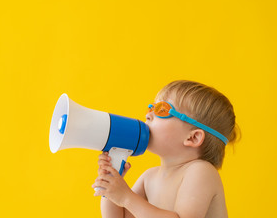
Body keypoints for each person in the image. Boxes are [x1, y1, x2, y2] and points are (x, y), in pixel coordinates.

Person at [92, 80, 240, 218]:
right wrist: (110, 188)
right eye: (151, 107)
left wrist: (125, 197)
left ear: (192, 138)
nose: (148, 115)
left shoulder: (201, 172)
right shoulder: (149, 177)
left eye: (162, 110)